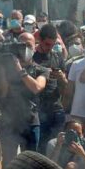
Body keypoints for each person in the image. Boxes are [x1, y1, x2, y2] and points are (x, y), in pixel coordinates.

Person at [0, 32, 47, 168]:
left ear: (35, 48)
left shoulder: (41, 69)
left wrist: (19, 68)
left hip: (31, 121)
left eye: (27, 45)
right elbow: (2, 92)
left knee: (31, 163)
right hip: (9, 122)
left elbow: (36, 87)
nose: (23, 49)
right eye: (20, 45)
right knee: (8, 162)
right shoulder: (8, 69)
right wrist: (2, 67)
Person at [32, 23, 68, 153]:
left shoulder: (57, 56)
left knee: (57, 148)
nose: (50, 48)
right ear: (40, 40)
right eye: (47, 44)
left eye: (53, 45)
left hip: (56, 109)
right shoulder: (32, 57)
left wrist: (61, 77)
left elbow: (66, 84)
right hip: (39, 110)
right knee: (41, 148)